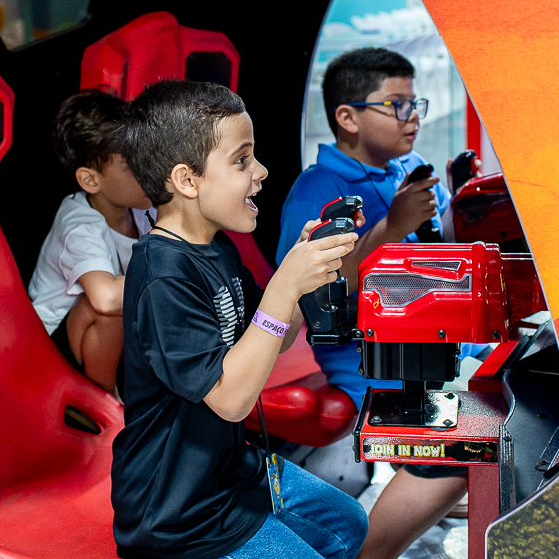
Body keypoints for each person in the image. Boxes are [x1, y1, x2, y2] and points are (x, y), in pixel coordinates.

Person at [111, 80, 369, 559]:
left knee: (346, 523)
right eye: (242, 160)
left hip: (231, 470)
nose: (261, 171)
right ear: (187, 180)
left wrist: (302, 273)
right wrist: (284, 286)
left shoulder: (217, 247)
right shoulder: (161, 274)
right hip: (180, 512)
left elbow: (274, 336)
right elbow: (231, 400)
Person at [276, 47, 489, 559]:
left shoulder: (407, 168)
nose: (412, 117)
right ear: (347, 118)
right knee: (478, 421)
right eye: (396, 105)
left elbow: (444, 246)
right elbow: (307, 292)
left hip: (440, 340)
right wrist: (390, 226)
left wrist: (465, 202)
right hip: (371, 357)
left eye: (415, 104)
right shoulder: (317, 190)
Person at [27, 90, 154, 394]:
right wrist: (174, 278)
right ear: (91, 180)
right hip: (48, 346)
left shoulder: (141, 206)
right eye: (131, 165)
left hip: (111, 344)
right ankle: (104, 401)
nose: (149, 170)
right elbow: (104, 298)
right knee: (108, 309)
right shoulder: (79, 225)